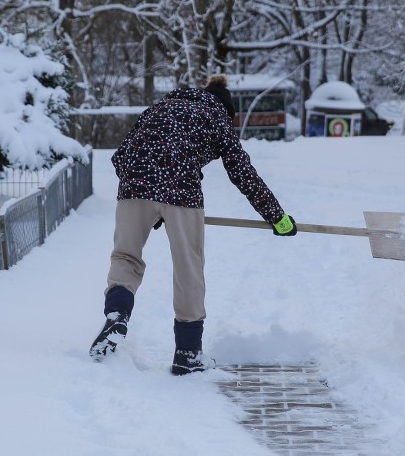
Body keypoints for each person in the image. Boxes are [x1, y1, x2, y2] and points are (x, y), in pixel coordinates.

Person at [89, 74, 297, 375]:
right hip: (182, 191)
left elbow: (119, 157)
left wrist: (148, 198)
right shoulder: (217, 116)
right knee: (188, 267)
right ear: (227, 109)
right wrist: (277, 217)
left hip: (133, 185)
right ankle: (188, 353)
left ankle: (117, 313)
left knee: (125, 256)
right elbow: (241, 171)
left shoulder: (160, 107)